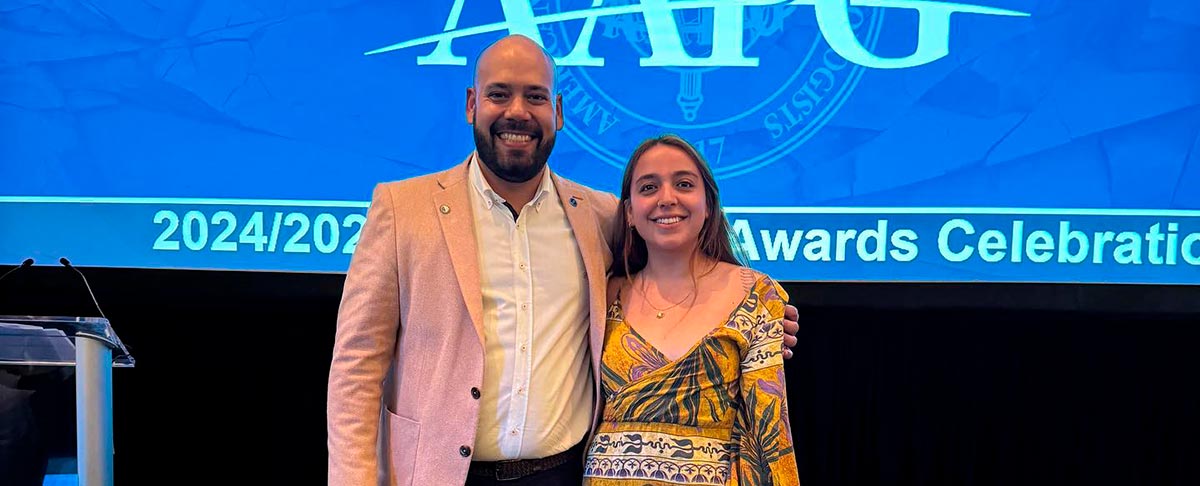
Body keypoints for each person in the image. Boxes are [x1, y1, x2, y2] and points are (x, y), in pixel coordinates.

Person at [327, 35, 799, 486]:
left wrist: (753, 315)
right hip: (433, 474)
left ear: (557, 112)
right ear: (472, 104)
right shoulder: (401, 208)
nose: (517, 112)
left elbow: (674, 254)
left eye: (535, 97)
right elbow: (356, 369)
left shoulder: (596, 216)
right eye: (499, 94)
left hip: (562, 475)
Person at [583, 135, 799, 485]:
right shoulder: (604, 293)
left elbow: (768, 438)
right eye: (649, 187)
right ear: (629, 213)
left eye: (684, 184)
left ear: (709, 204)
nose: (667, 199)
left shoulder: (756, 293)